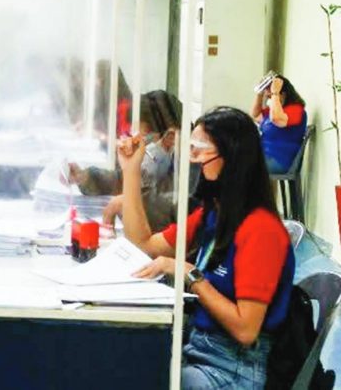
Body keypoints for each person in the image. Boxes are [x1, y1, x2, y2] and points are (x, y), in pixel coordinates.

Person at [119, 106, 294, 389]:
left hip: (233, 369)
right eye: (191, 148)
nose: (193, 158)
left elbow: (247, 329)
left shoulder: (262, 230)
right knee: (124, 366)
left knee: (137, 378)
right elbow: (144, 244)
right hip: (200, 351)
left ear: (233, 157)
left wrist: (190, 274)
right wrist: (131, 172)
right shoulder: (213, 215)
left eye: (200, 150)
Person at [68, 90, 186, 229]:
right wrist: (85, 177)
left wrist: (128, 202)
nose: (137, 147)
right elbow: (121, 180)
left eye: (143, 141)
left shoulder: (189, 172)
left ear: (171, 137)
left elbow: (169, 206)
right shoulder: (159, 163)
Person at [251, 75, 307, 174]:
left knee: (240, 167)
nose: (270, 100)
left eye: (271, 97)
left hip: (280, 160)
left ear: (284, 94)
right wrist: (259, 93)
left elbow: (277, 119)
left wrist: (275, 93)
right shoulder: (273, 111)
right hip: (264, 156)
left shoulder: (296, 110)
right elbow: (255, 115)